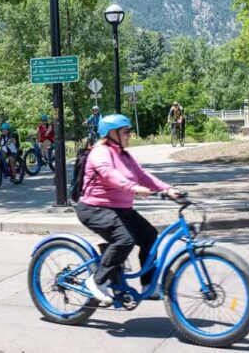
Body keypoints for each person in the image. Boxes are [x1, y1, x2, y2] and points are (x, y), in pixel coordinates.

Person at [75, 114, 181, 305]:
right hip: (95, 208)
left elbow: (142, 175)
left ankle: (148, 285)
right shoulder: (101, 152)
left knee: (149, 236)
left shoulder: (123, 153)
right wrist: (133, 188)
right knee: (125, 240)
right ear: (111, 133)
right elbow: (109, 174)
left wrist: (167, 189)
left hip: (120, 209)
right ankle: (97, 281)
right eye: (126, 132)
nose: (130, 135)